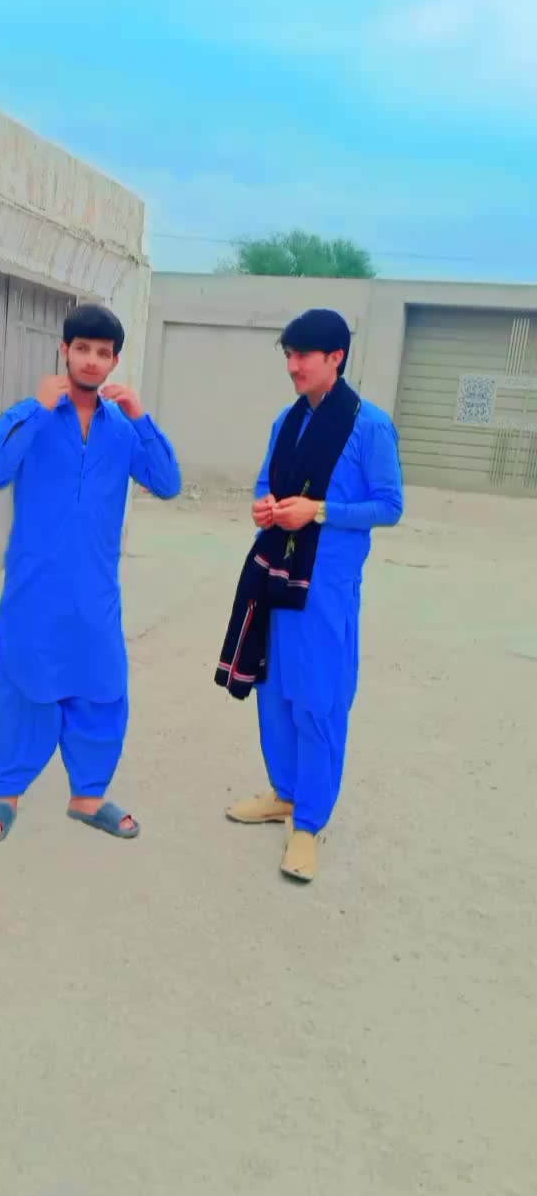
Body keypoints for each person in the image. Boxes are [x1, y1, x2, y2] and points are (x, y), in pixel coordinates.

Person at [0, 303, 181, 843]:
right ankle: (4, 795)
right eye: (82, 349)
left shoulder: (123, 430)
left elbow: (167, 482)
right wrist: (39, 410)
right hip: (35, 585)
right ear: (64, 350)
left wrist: (141, 416)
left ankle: (88, 796)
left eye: (102, 353)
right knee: (21, 683)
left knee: (101, 685)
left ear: (115, 361)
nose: (91, 360)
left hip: (95, 589)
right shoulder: (31, 414)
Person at [216, 309, 403, 883]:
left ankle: (309, 822)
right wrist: (264, 507)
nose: (293, 366)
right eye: (289, 355)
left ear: (335, 358)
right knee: (272, 689)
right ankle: (285, 792)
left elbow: (389, 506)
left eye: (303, 356)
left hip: (325, 587)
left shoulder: (369, 427)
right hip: (276, 573)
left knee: (318, 699)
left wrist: (319, 511)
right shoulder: (288, 420)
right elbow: (264, 484)